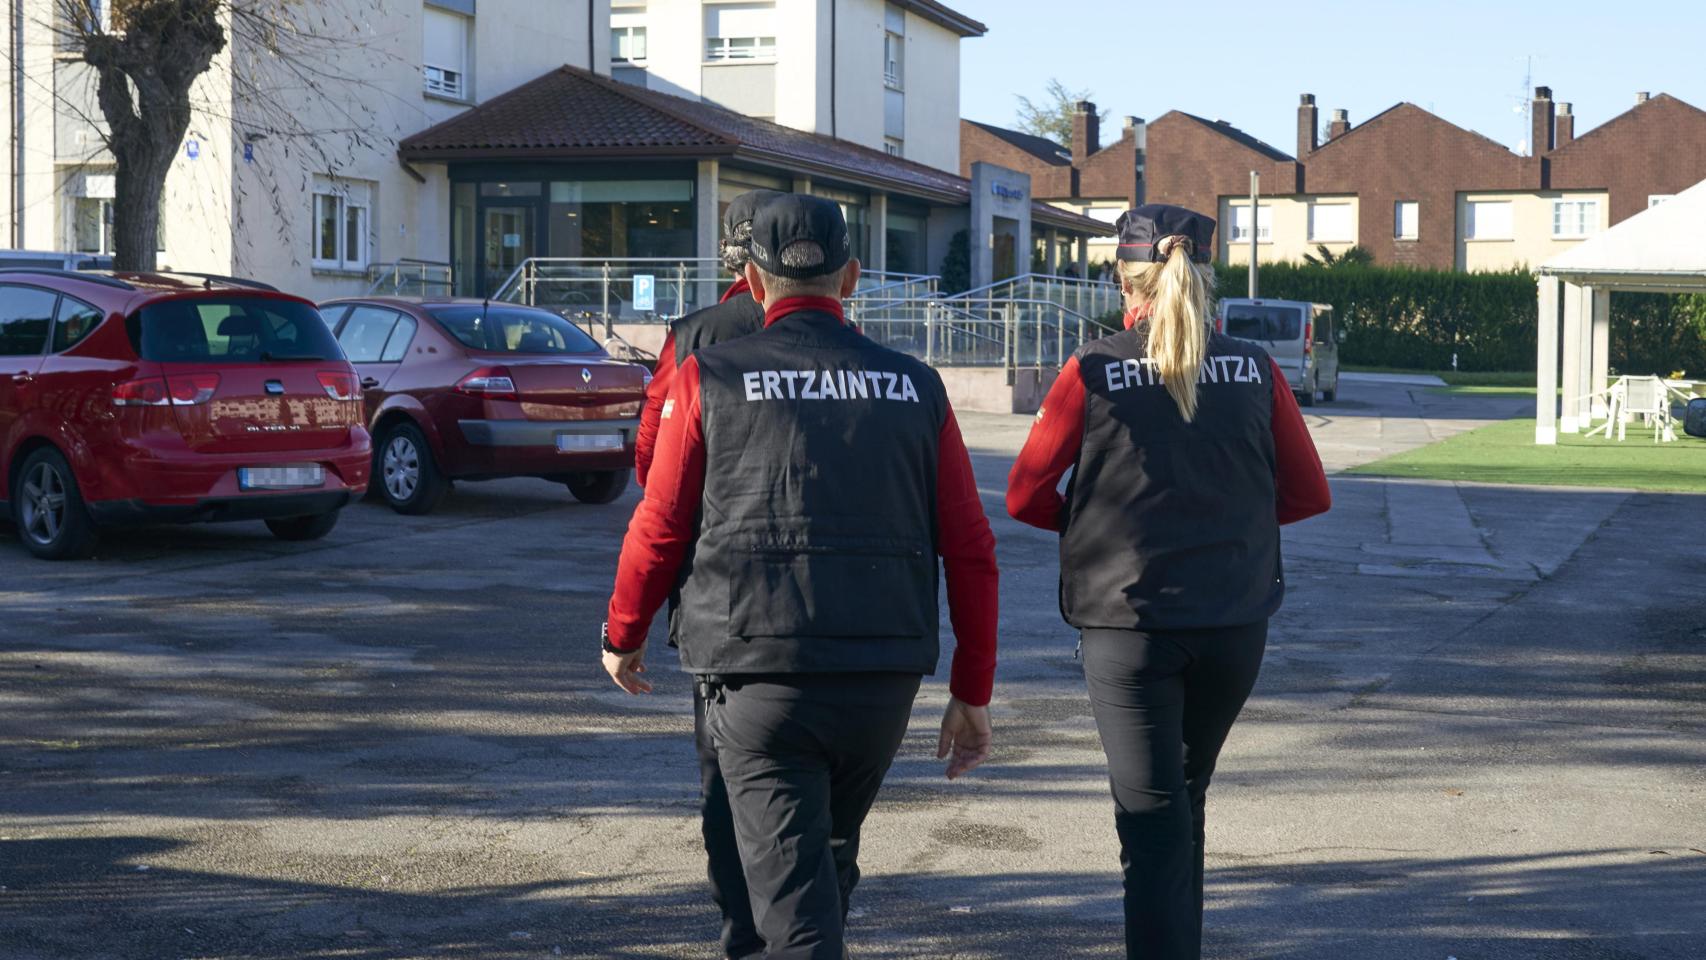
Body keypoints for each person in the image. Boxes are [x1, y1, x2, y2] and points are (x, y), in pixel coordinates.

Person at [603, 194, 999, 960]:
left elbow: (659, 523)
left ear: (751, 285)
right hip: (881, 678)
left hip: (758, 677)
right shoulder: (916, 386)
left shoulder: (707, 376)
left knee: (792, 915)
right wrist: (972, 689)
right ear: (851, 278)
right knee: (818, 871)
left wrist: (624, 632)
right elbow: (972, 547)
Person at [1005, 205, 1331, 960]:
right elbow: (1310, 493)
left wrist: (1094, 527)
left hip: (1130, 627)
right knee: (1183, 803)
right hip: (1233, 620)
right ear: (1208, 275)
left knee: (1151, 822)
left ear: (1123, 276)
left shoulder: (1090, 368)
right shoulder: (1256, 367)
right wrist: (1225, 523)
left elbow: (1024, 494)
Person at [627, 188, 782, 960]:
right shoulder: (841, 332)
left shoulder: (691, 337)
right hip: (839, 607)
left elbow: (651, 468)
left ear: (731, 260)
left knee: (725, 782)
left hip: (720, 599)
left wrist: (629, 624)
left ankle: (744, 934)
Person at [635, 189, 782, 489]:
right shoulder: (841, 332)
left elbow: (653, 438)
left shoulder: (690, 335)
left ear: (728, 254)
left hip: (711, 517)